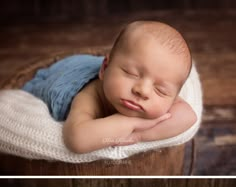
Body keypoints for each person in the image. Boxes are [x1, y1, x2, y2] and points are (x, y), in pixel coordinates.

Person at [23, 21, 197, 154]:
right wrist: (130, 123)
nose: (142, 90)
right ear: (104, 69)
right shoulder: (89, 96)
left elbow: (188, 116)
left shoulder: (160, 90)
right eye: (131, 73)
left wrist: (138, 135)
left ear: (173, 98)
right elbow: (77, 140)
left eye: (160, 90)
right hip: (68, 76)